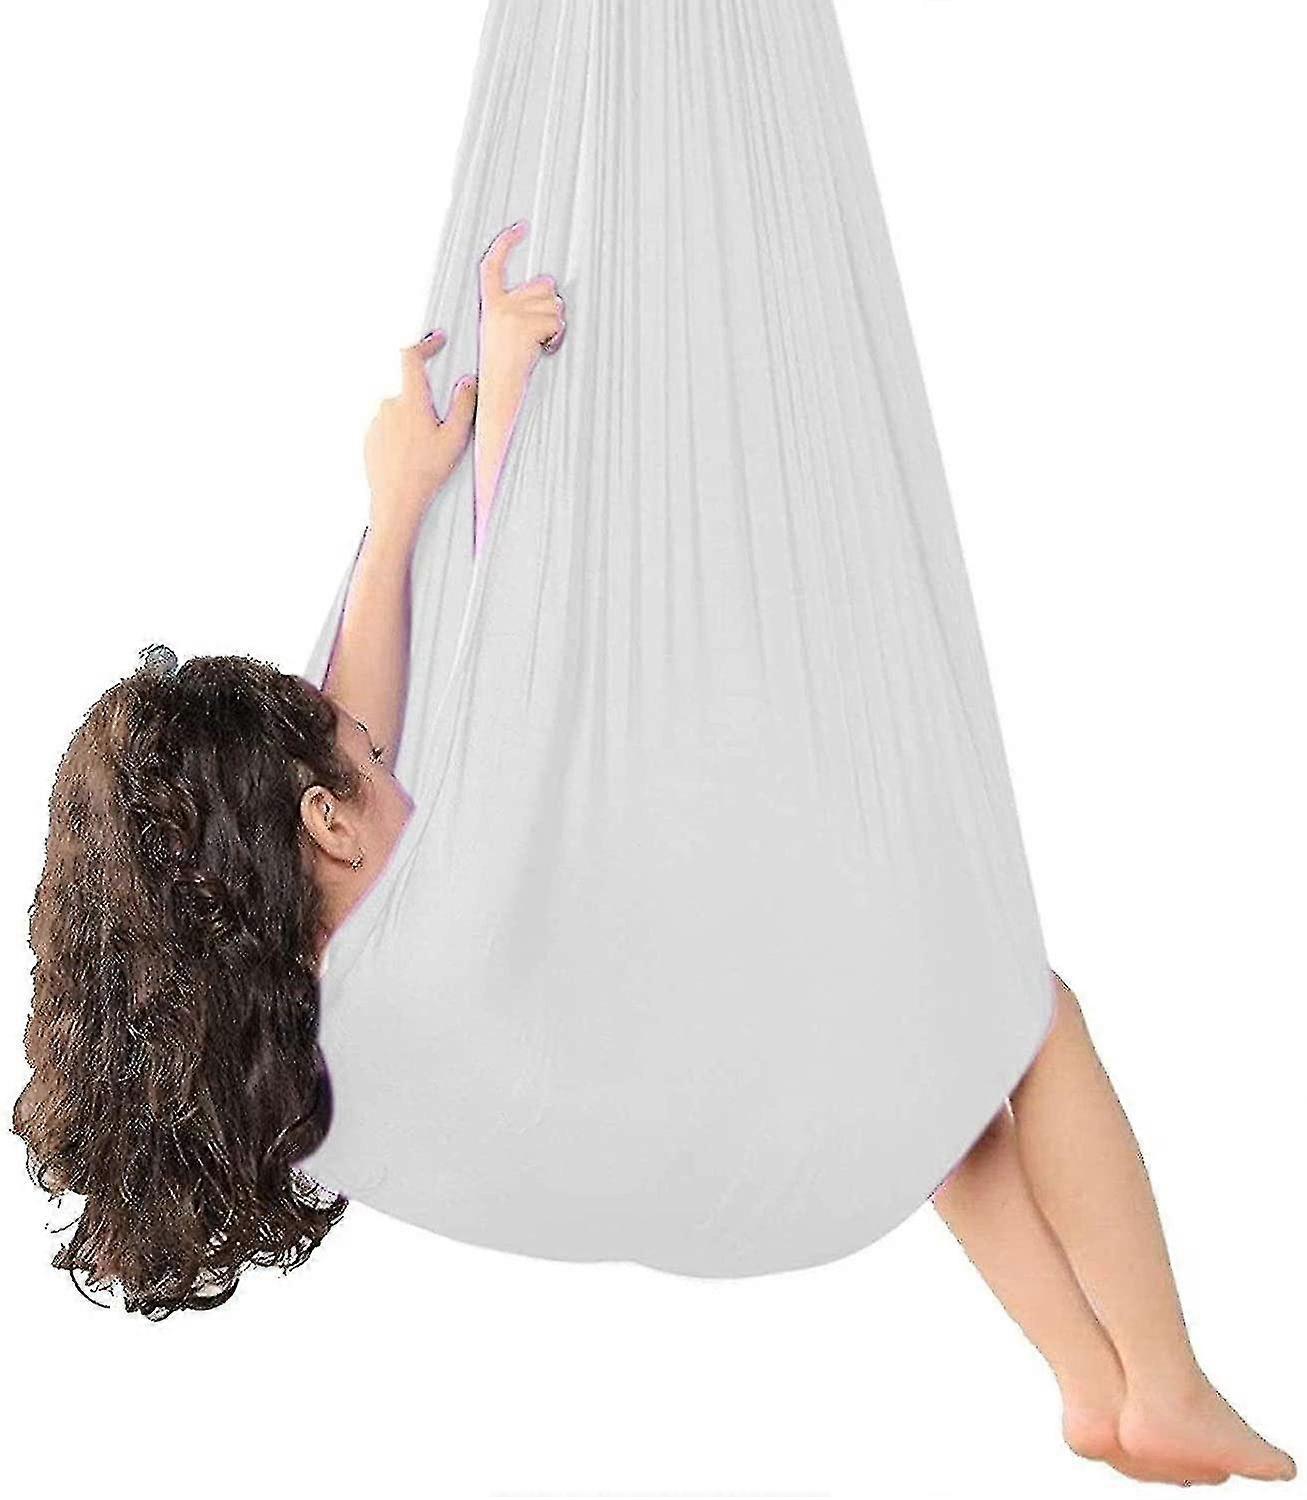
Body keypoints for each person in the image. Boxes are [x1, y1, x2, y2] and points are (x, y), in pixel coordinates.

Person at [12, 223, 1293, 1488]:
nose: (387, 751)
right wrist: (505, 400)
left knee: (935, 1073)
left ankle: (1092, 1389)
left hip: (728, 1137)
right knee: (1025, 1011)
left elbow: (360, 711)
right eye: (368, 757)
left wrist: (395, 518)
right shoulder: (438, 931)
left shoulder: (297, 1048)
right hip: (743, 1130)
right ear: (325, 823)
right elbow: (525, 640)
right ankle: (1165, 1375)